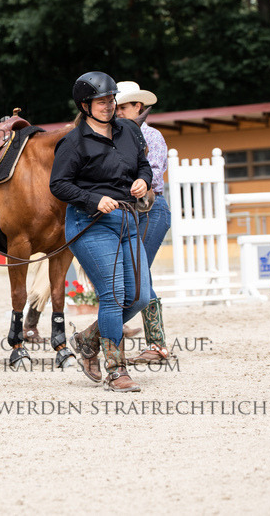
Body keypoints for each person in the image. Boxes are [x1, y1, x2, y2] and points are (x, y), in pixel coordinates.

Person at [50, 72, 153, 391]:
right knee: (114, 296)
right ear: (85, 106)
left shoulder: (129, 131)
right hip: (90, 223)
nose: (109, 106)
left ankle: (87, 339)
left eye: (111, 100)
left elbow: (143, 165)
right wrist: (93, 199)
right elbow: (59, 184)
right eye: (101, 102)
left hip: (128, 220)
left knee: (140, 297)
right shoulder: (73, 142)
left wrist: (143, 180)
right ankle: (116, 370)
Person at [68, 80, 176, 367]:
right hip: (124, 211)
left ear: (138, 107)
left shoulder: (150, 135)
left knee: (139, 279)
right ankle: (135, 344)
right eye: (116, 106)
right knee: (131, 282)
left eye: (123, 106)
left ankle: (151, 343)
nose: (116, 111)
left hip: (149, 209)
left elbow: (152, 175)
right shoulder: (110, 134)